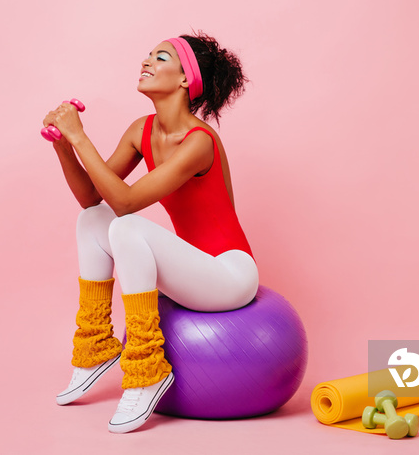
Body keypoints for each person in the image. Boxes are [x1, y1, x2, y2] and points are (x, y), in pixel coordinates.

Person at [42, 32, 258, 434]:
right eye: (148, 55)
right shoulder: (141, 130)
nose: (146, 62)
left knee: (126, 225)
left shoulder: (199, 142)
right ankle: (94, 344)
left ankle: (146, 370)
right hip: (191, 273)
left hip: (230, 275)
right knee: (91, 222)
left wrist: (80, 136)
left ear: (184, 80)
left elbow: (124, 203)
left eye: (160, 58)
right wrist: (63, 145)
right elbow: (93, 198)